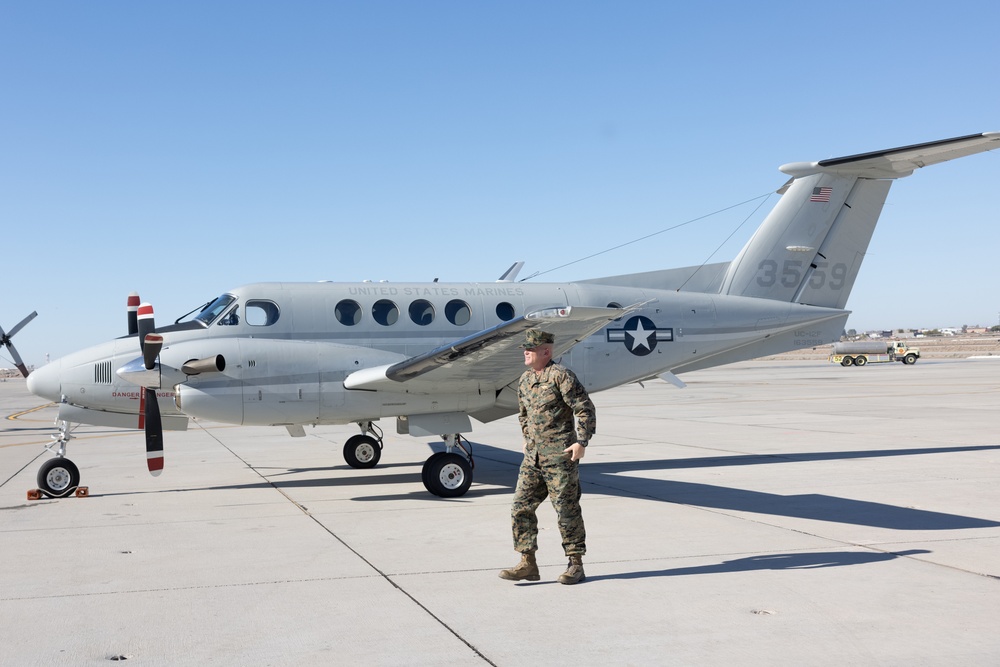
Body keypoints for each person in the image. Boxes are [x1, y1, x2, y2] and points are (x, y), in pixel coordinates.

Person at [499, 329, 596, 585]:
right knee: (520, 507)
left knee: (566, 510)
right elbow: (524, 414)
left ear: (547, 351)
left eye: (531, 348)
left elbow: (584, 408)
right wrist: (527, 437)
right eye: (525, 348)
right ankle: (527, 563)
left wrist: (581, 441)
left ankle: (576, 564)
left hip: (560, 457)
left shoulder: (560, 376)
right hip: (533, 459)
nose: (526, 352)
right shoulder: (525, 380)